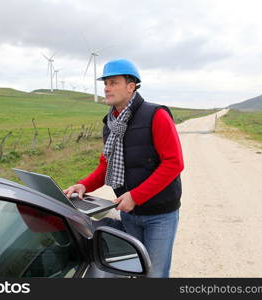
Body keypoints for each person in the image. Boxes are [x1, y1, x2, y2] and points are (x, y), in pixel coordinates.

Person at [63, 58, 184, 277]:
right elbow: (105, 167)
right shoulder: (110, 124)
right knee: (133, 271)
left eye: (113, 83)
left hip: (160, 214)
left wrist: (136, 196)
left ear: (131, 86)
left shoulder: (156, 115)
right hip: (128, 213)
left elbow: (174, 164)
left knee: (154, 274)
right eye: (105, 83)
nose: (106, 88)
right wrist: (83, 185)